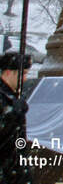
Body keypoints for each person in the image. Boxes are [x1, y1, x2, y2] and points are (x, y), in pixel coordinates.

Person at [0, 52, 32, 184]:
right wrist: (13, 114)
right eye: (22, 73)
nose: (24, 79)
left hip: (15, 171)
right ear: (8, 73)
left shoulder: (12, 97)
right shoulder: (4, 99)